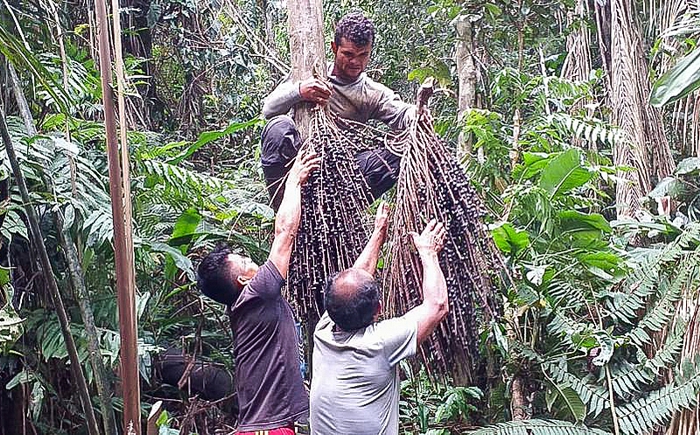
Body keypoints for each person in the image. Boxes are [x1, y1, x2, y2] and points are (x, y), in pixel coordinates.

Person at [197, 151, 321, 435]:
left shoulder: (243, 304)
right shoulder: (257, 293)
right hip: (269, 430)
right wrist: (294, 182)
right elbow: (285, 233)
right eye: (243, 260)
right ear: (242, 278)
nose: (250, 259)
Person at [309, 206, 449, 435]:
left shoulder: (324, 329)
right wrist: (428, 252)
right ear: (379, 310)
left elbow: (357, 275)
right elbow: (437, 306)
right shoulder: (378, 344)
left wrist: (378, 232)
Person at [260, 11, 417, 210]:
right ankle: (285, 208)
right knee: (278, 127)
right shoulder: (308, 72)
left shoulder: (370, 93)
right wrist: (300, 92)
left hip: (340, 179)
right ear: (334, 48)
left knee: (400, 151)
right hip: (295, 173)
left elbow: (402, 113)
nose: (356, 62)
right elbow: (268, 110)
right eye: (348, 54)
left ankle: (340, 212)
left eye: (363, 55)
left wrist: (418, 114)